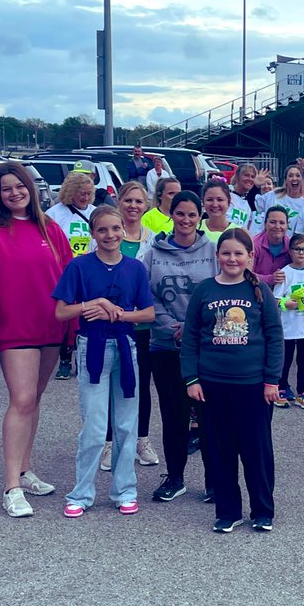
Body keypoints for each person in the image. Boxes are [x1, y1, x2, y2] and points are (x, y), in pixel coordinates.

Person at [0, 162, 73, 517]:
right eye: (7, 189)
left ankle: (26, 469)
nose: (14, 193)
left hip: (50, 326)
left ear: (31, 188)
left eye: (20, 186)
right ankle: (11, 486)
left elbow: (67, 276)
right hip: (14, 328)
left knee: (35, 399)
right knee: (22, 398)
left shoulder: (50, 227)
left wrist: (73, 324)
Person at [53, 206, 155, 518]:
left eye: (115, 229)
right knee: (95, 426)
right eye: (102, 230)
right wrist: (92, 304)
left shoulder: (134, 269)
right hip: (92, 346)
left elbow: (148, 313)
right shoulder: (79, 266)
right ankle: (81, 493)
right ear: (93, 234)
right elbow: (61, 311)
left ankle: (125, 490)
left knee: (126, 423)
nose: (109, 235)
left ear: (123, 230)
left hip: (125, 346)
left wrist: (119, 313)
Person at [182, 229, 283, 533]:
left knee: (257, 450)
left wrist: (271, 380)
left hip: (253, 386)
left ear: (250, 257)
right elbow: (190, 338)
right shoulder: (204, 290)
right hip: (212, 385)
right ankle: (228, 511)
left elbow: (274, 337)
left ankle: (262, 510)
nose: (232, 259)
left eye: (239, 253)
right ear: (217, 256)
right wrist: (191, 378)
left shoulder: (260, 292)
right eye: (226, 253)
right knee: (219, 450)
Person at [141, 191, 220, 503]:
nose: (186, 220)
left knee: (209, 416)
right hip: (165, 346)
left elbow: (221, 289)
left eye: (192, 214)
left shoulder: (213, 250)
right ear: (170, 215)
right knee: (173, 415)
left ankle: (214, 480)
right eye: (180, 214)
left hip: (206, 347)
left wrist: (193, 328)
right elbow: (146, 294)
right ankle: (175, 477)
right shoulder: (153, 252)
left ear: (200, 217)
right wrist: (171, 328)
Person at [97, 182, 160, 470]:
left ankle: (140, 441)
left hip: (142, 325)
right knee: (109, 386)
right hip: (108, 324)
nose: (133, 206)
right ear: (119, 202)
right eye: (128, 200)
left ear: (146, 205)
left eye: (139, 201)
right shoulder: (107, 234)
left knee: (141, 386)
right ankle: (108, 444)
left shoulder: (155, 239)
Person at [47, 171, 97, 381]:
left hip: (90, 269)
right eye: (80, 194)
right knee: (67, 317)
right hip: (64, 270)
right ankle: (65, 359)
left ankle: (82, 359)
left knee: (86, 315)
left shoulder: (96, 212)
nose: (84, 198)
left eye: (88, 194)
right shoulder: (54, 214)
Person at [273, 233, 304, 408]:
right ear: (290, 251)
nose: (301, 253)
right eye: (297, 249)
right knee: (286, 359)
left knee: (303, 360)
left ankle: (302, 392)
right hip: (288, 326)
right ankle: (281, 388)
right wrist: (287, 304)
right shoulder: (285, 273)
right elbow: (276, 299)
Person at [252, 206, 293, 287]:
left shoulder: (291, 245)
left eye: (282, 223)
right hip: (256, 288)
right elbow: (246, 274)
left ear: (287, 225)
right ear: (265, 224)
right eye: (273, 222)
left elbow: (300, 266)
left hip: (283, 291)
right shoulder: (253, 244)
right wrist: (270, 279)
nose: (277, 227)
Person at [228, 163, 261, 231]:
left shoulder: (247, 202)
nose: (250, 179)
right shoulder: (226, 193)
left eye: (253, 177)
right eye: (246, 175)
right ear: (237, 176)